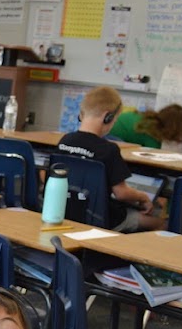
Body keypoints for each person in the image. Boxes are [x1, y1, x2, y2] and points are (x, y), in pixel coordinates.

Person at [57, 86, 158, 231]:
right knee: (159, 223)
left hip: (66, 212)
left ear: (82, 114)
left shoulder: (65, 141)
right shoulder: (108, 150)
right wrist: (142, 197)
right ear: (108, 117)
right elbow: (122, 194)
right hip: (101, 219)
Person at [108, 103, 182, 153]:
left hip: (105, 131)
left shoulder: (148, 118)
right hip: (110, 138)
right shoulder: (153, 133)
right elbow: (152, 159)